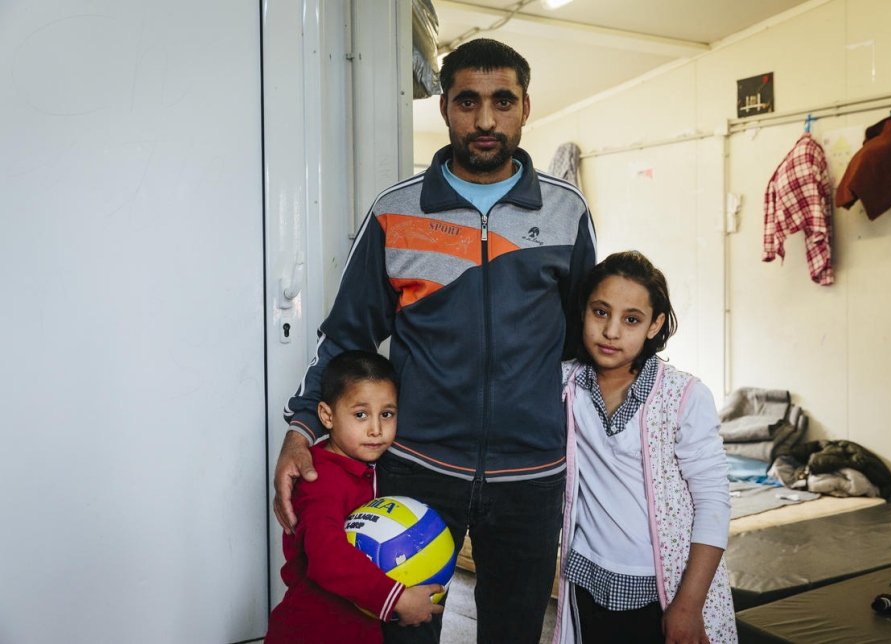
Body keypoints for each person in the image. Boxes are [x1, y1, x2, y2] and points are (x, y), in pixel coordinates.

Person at [274, 38, 597, 644]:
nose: (484, 119)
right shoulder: (396, 211)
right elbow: (347, 334)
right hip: (416, 468)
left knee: (513, 633)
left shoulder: (566, 213)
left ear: (525, 106)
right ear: (444, 107)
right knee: (402, 631)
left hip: (531, 474)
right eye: (467, 101)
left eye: (502, 101)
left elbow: (591, 340)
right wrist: (300, 429)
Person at [553, 251, 737, 643]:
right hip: (586, 575)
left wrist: (687, 607)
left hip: (664, 587)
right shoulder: (565, 384)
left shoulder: (683, 395)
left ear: (655, 325)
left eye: (631, 319)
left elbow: (713, 500)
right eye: (600, 312)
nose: (612, 331)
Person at [265, 351, 444, 644]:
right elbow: (326, 556)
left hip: (357, 628)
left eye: (387, 414)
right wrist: (396, 599)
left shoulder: (364, 466)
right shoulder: (319, 477)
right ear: (327, 416)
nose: (376, 429)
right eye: (360, 414)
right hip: (312, 631)